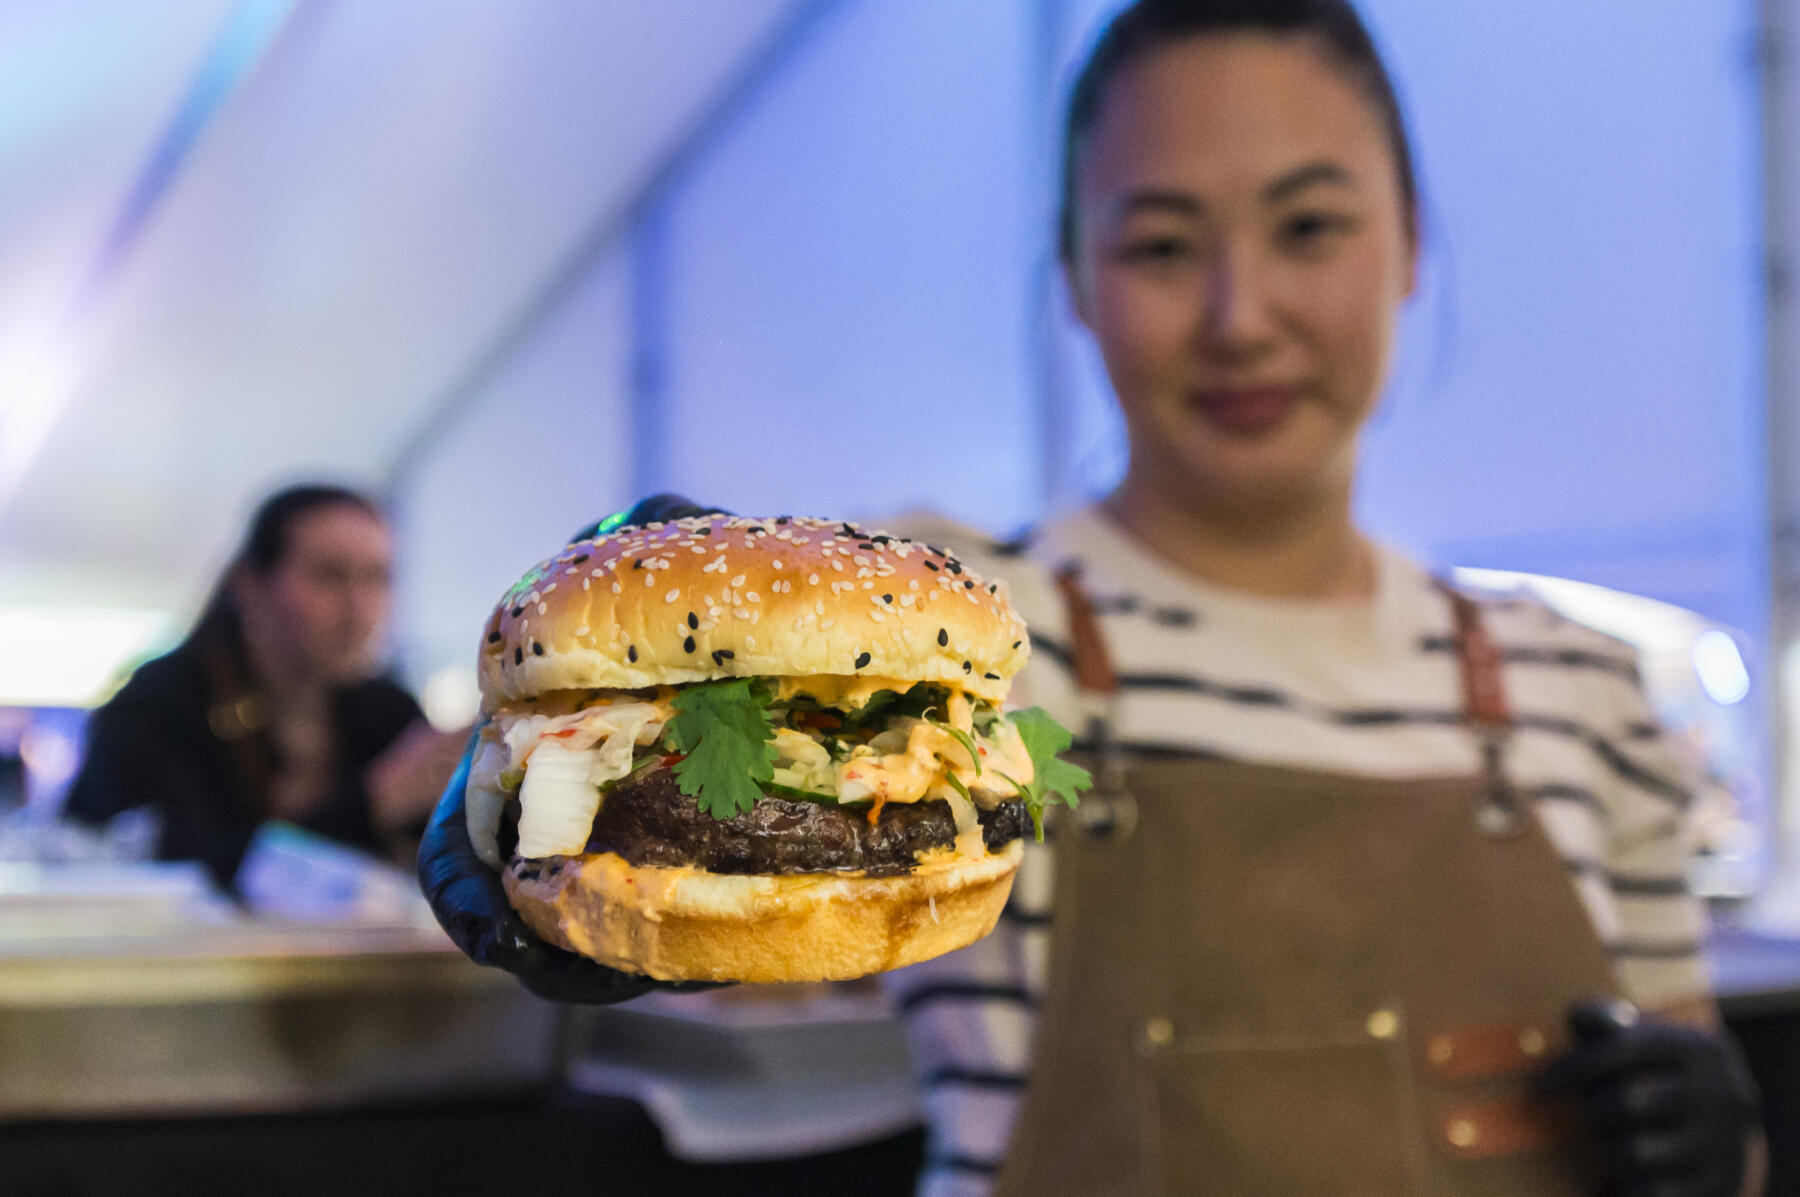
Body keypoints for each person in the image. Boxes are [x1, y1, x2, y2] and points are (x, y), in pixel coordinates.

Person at [419, 1, 1763, 1192]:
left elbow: (1697, 1085)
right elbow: (752, 947)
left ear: (1411, 244)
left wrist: (1716, 1143)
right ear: (1073, 279)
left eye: (1309, 227)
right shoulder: (981, 647)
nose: (1241, 314)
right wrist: (559, 800)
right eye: (1164, 245)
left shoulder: (1586, 688)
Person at [67, 483, 466, 888]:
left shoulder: (386, 710)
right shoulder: (158, 707)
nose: (360, 609)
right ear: (250, 585)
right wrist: (378, 800)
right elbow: (175, 872)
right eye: (330, 576)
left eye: (377, 578)